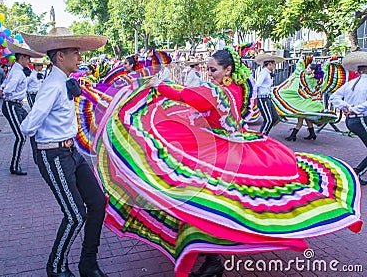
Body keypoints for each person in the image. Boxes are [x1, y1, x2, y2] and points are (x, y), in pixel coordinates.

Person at [93, 46, 361, 277]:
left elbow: (185, 96)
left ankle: (211, 256)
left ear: (228, 70)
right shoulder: (235, 88)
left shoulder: (214, 91)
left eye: (213, 70)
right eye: (209, 70)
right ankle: (212, 255)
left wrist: (154, 87)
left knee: (199, 196)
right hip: (236, 141)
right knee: (216, 200)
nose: (210, 74)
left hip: (223, 149)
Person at [20, 27, 109, 277]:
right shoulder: (52, 86)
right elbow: (30, 124)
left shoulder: (62, 82)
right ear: (60, 55)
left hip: (71, 152)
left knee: (96, 202)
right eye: (75, 53)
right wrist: (39, 139)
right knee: (74, 214)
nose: (79, 58)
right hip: (55, 154)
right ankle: (56, 267)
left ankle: (87, 263)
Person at [0, 43, 44, 175]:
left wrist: (3, 89)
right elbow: (8, 89)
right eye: (28, 58)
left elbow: (6, 85)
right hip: (12, 104)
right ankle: (14, 165)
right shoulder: (18, 72)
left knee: (31, 129)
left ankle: (37, 159)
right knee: (21, 136)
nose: (30, 61)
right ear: (22, 58)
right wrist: (4, 91)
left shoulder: (16, 70)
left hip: (16, 105)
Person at [329, 51, 367, 185]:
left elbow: (333, 97)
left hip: (352, 120)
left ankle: (356, 172)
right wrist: (351, 109)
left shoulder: (350, 83)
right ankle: (356, 173)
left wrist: (345, 106)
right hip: (360, 118)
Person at [285, 63, 324, 141]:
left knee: (300, 118)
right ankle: (312, 133)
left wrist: (300, 61)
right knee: (306, 117)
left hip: (306, 101)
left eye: (309, 69)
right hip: (314, 101)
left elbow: (299, 72)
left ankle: (293, 136)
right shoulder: (319, 79)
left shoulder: (307, 78)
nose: (307, 70)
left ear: (312, 71)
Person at [254, 53, 284, 135]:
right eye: (273, 64)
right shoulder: (264, 72)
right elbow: (257, 84)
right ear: (269, 64)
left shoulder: (267, 73)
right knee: (268, 119)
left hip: (267, 98)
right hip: (263, 98)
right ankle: (261, 136)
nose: (274, 66)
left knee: (275, 117)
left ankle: (265, 134)